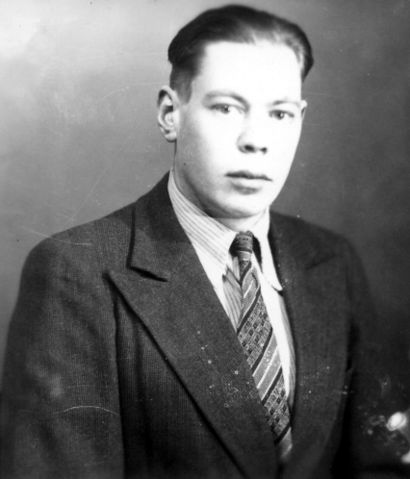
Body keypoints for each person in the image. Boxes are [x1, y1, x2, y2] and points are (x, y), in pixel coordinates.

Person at [1, 4, 409, 479]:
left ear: (300, 118)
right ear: (170, 114)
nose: (256, 140)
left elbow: (380, 464)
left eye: (279, 113)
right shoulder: (76, 273)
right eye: (227, 108)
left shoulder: (332, 262)